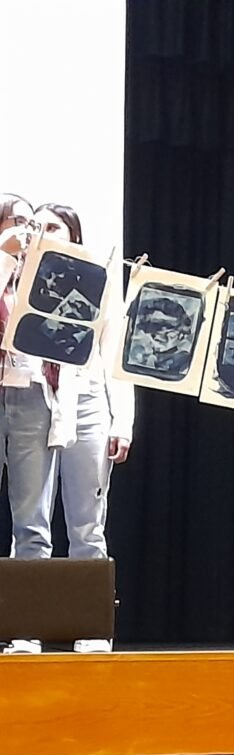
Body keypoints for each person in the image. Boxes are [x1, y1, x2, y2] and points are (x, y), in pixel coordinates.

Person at [31, 203, 135, 654]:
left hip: (88, 401)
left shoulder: (99, 279)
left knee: (88, 525)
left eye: (52, 226)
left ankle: (91, 627)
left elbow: (116, 356)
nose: (43, 232)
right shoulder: (20, 279)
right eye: (37, 226)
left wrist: (122, 422)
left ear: (73, 235)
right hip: (33, 399)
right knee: (31, 523)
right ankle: (26, 626)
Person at [0, 193, 77, 654]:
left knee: (31, 518)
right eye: (16, 221)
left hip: (32, 393)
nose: (26, 230)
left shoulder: (50, 274)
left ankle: (25, 627)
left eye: (32, 223)